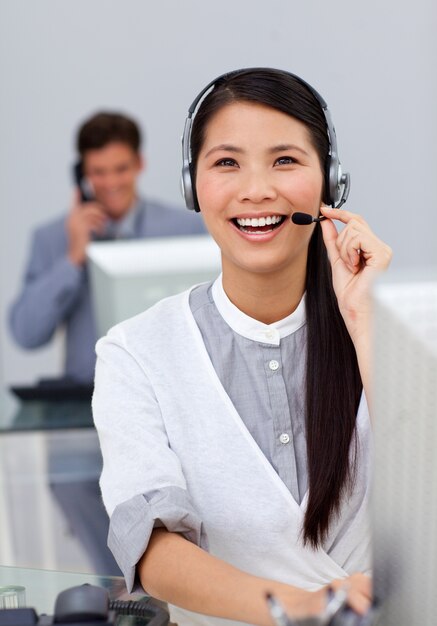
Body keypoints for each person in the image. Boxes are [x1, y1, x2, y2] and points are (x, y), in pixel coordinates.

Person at [92, 69, 392, 625]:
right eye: (227, 162)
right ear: (192, 185)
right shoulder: (134, 352)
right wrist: (303, 608)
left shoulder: (389, 324)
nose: (257, 189)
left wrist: (370, 324)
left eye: (285, 160)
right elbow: (151, 546)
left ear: (331, 183)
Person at [8, 111, 206, 384]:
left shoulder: (186, 229)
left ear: (139, 163)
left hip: (170, 391)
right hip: (84, 403)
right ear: (82, 174)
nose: (111, 183)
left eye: (121, 169)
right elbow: (26, 335)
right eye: (98, 172)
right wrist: (72, 258)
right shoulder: (52, 238)